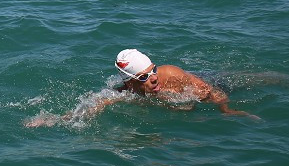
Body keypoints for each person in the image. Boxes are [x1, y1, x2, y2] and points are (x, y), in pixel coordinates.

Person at [24, 48, 257, 127]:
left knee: (262, 79)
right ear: (130, 82)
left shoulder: (171, 75)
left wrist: (227, 110)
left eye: (153, 71)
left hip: (214, 81)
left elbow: (212, 92)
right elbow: (89, 108)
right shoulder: (125, 93)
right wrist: (52, 119)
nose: (154, 78)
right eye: (146, 76)